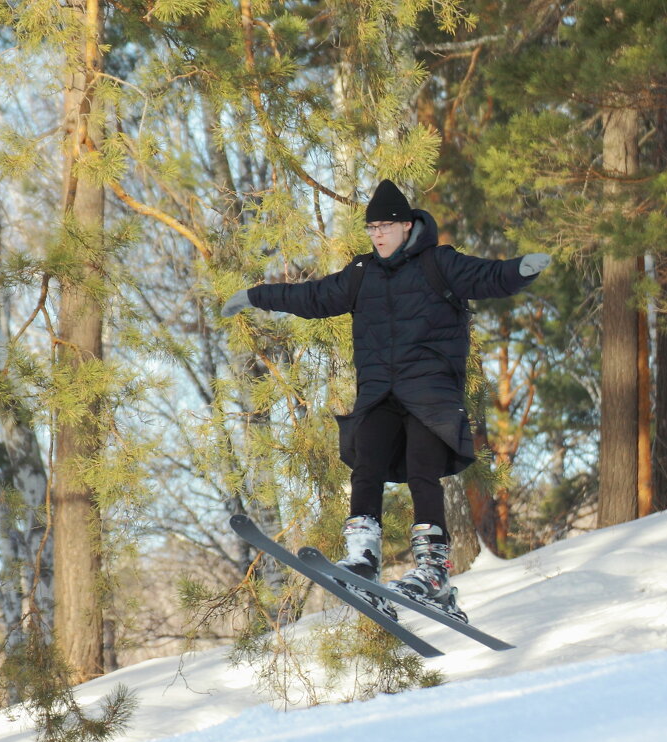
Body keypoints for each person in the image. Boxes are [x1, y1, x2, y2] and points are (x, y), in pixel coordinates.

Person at [222, 180, 550, 620]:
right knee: (367, 463)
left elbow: (487, 276)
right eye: (371, 227)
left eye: (384, 226)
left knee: (422, 473)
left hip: (430, 394)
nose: (377, 235)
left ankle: (434, 573)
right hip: (380, 393)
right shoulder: (362, 275)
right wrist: (256, 296)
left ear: (407, 225)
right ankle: (362, 559)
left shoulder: (440, 263)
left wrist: (521, 270)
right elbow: (313, 296)